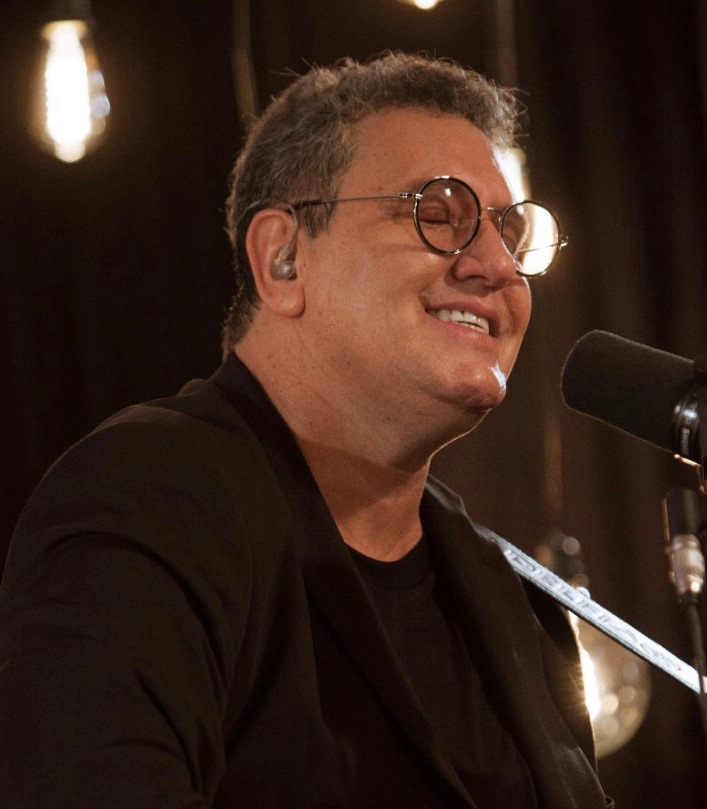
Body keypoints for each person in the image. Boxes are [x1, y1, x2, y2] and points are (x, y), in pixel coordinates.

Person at [0, 53, 611, 808]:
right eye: (438, 214)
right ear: (283, 259)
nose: (499, 268)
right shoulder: (145, 500)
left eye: (511, 234)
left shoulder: (514, 600)